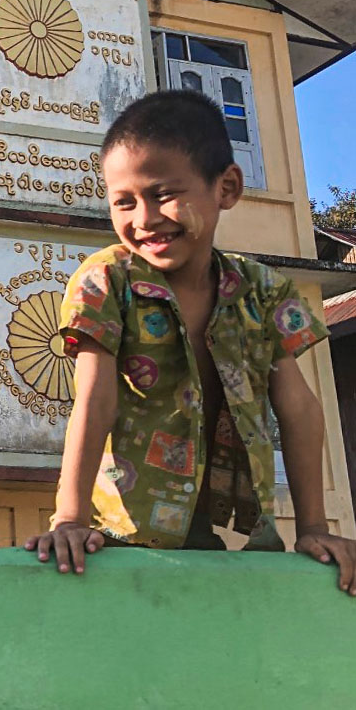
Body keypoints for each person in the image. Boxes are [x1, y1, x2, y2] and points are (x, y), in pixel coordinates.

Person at [24, 90, 356, 595]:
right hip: (123, 537)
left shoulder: (264, 290)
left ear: (226, 187)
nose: (144, 218)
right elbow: (94, 400)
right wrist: (68, 518)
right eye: (124, 201)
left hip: (234, 535)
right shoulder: (106, 281)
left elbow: (298, 407)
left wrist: (313, 527)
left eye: (162, 194)